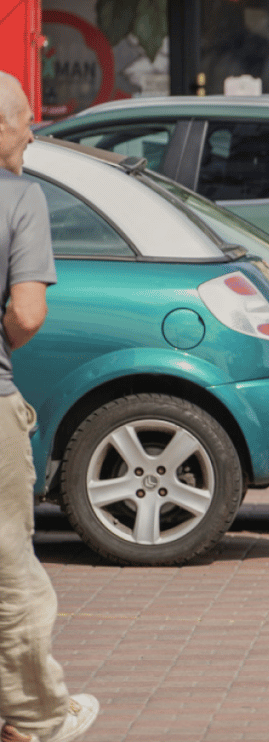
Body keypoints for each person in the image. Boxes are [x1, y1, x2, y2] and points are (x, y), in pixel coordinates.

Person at [0, 72, 99, 742]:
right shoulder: (19, 198)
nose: (33, 133)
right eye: (26, 119)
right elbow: (28, 312)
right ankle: (35, 718)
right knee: (9, 570)